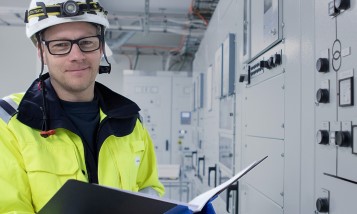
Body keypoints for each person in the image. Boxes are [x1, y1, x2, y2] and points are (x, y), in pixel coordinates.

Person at [0, 0, 165, 212]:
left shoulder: (131, 121)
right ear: (41, 52)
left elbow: (149, 190)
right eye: (60, 45)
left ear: (101, 47)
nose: (77, 56)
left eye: (87, 43)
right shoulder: (9, 123)